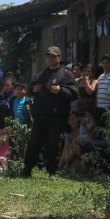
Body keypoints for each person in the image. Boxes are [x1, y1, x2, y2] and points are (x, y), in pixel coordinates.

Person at [22, 46, 79, 180]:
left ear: (59, 58)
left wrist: (61, 90)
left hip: (56, 117)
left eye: (53, 56)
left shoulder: (66, 74)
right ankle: (27, 169)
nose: (50, 59)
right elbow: (30, 89)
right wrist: (33, 90)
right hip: (40, 116)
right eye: (48, 56)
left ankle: (52, 171)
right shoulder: (40, 74)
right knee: (34, 143)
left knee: (53, 145)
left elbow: (74, 94)